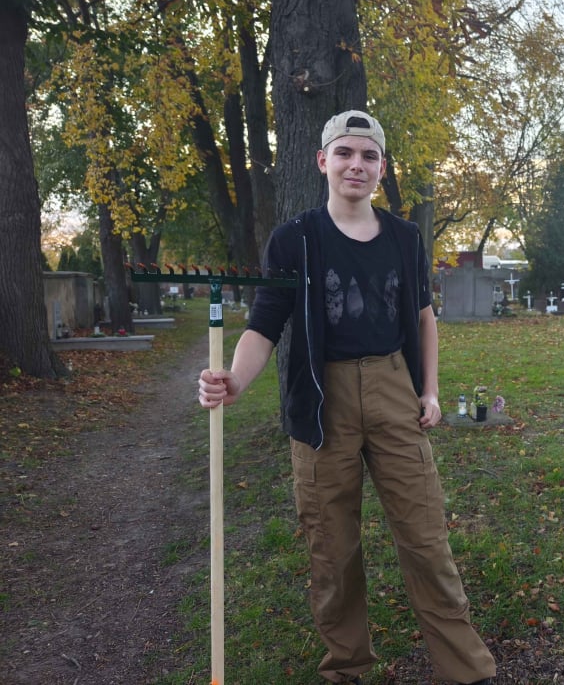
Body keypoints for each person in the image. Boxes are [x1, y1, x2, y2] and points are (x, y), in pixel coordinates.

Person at [197, 110, 496, 685]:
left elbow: (423, 318)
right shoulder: (293, 240)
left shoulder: (406, 237)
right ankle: (347, 668)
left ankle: (467, 670)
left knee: (426, 539)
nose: (356, 165)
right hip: (320, 401)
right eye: (345, 153)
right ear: (323, 162)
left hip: (392, 391)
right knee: (331, 550)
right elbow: (264, 326)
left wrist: (428, 390)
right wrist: (234, 379)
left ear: (382, 169)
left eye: (369, 156)